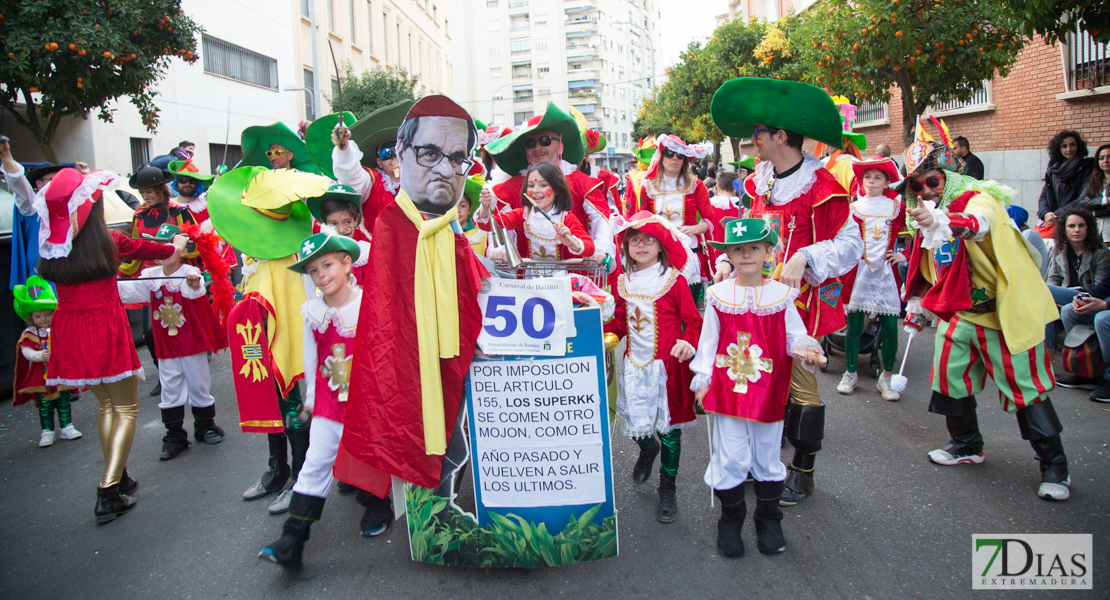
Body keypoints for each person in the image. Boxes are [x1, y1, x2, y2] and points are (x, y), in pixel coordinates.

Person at [710, 77, 864, 505]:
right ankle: (761, 461)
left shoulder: (823, 187)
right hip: (755, 296)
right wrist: (728, 261)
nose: (752, 141)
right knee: (754, 374)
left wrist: (807, 256)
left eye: (758, 133)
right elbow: (744, 233)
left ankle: (803, 468)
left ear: (780, 136)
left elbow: (852, 246)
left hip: (799, 303)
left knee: (801, 385)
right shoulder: (760, 182)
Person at [899, 123, 1070, 501]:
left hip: (1004, 313)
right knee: (948, 378)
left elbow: (980, 225)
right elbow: (932, 272)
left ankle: (1055, 466)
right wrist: (920, 307)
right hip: (961, 315)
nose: (926, 191)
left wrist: (944, 221)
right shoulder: (925, 221)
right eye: (917, 186)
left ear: (948, 177)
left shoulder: (978, 197)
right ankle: (966, 445)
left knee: (1028, 392)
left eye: (933, 182)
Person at [30, 168, 185, 523]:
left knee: (106, 408)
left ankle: (121, 475)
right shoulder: (108, 242)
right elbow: (148, 249)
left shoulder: (53, 248)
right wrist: (176, 246)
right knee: (127, 409)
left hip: (69, 329)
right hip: (104, 325)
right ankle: (108, 489)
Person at [259, 229, 391, 571]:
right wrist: (311, 401)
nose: (321, 276)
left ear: (347, 263)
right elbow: (311, 359)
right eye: (314, 271)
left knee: (372, 456)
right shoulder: (312, 311)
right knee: (315, 464)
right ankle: (292, 540)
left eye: (327, 265)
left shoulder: (368, 304)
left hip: (367, 402)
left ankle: (377, 506)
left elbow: (384, 352)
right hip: (330, 404)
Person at [692, 218, 825, 558]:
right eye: (738, 249)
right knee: (732, 457)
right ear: (729, 255)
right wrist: (703, 381)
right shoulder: (719, 295)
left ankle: (769, 519)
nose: (746, 254)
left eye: (754, 247)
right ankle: (731, 519)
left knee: (767, 457)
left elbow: (793, 337)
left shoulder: (781, 296)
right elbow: (708, 344)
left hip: (768, 391)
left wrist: (808, 351)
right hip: (727, 389)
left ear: (769, 251)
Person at [208, 166, 328, 515]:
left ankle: (299, 478)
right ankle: (277, 470)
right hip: (259, 338)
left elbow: (298, 301)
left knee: (291, 404)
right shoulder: (256, 255)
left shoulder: (289, 257)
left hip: (288, 338)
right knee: (269, 402)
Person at [603, 212, 702, 523]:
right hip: (634, 364)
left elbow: (695, 321)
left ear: (661, 246)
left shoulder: (674, 281)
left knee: (670, 431)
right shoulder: (622, 281)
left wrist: (688, 341)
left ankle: (667, 486)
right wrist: (607, 337)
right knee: (634, 422)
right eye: (634, 240)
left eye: (648, 239)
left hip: (668, 368)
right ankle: (647, 450)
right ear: (626, 247)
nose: (641, 245)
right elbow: (620, 320)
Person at [117, 224, 229, 460]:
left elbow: (195, 292)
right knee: (169, 388)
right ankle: (175, 436)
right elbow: (124, 292)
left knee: (198, 383)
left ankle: (206, 427)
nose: (162, 252)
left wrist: (193, 283)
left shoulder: (190, 272)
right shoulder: (150, 277)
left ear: (181, 252)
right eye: (158, 248)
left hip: (191, 343)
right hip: (166, 346)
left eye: (168, 247)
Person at [482, 102, 615, 264]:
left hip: (576, 277)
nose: (538, 147)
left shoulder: (583, 184)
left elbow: (602, 222)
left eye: (545, 140)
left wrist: (599, 250)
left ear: (560, 147)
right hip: (526, 280)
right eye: (531, 143)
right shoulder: (509, 188)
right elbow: (498, 226)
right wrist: (502, 248)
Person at [836, 157, 907, 401]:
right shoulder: (853, 208)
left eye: (877, 178)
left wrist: (904, 254)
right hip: (859, 273)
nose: (872, 182)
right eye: (867, 177)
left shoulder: (897, 206)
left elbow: (919, 233)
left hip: (886, 273)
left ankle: (886, 378)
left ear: (887, 181)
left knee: (890, 329)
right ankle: (851, 372)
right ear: (860, 180)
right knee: (854, 326)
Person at [625, 134, 716, 300]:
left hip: (689, 254)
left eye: (680, 155)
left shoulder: (696, 185)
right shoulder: (647, 186)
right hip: (658, 258)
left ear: (685, 161)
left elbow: (710, 222)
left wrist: (695, 228)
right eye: (670, 153)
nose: (675, 158)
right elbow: (643, 223)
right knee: (663, 311)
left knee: (689, 311)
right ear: (661, 156)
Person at [324, 101, 414, 237]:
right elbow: (352, 176)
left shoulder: (420, 179)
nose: (393, 158)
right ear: (379, 162)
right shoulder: (371, 180)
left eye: (397, 150)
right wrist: (343, 148)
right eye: (385, 154)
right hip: (379, 253)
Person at [13, 276, 81, 447]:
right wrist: (39, 356)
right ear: (31, 317)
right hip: (41, 376)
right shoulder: (29, 333)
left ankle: (67, 426)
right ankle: (47, 430)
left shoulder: (59, 328)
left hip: (60, 373)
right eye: (38, 316)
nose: (43, 319)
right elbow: (25, 351)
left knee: (63, 401)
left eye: (47, 315)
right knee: (45, 404)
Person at [476, 162, 594, 260]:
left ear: (557, 189)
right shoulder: (521, 215)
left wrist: (571, 241)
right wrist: (485, 208)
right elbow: (487, 225)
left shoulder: (566, 218)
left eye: (543, 185)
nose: (536, 190)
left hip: (561, 282)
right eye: (531, 185)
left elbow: (589, 248)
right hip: (530, 281)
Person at [1044, 207, 1110, 366]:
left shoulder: (1101, 252)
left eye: (1081, 225)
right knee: (1043, 302)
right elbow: (1054, 277)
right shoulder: (1059, 249)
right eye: (1072, 226)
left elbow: (1101, 285)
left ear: (1089, 227)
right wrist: (1053, 298)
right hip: (1067, 296)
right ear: (1064, 229)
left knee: (1040, 290)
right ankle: (1048, 358)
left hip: (1088, 296)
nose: (1077, 230)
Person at [306, 183, 372, 285]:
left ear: (356, 220)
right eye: (333, 224)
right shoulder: (317, 259)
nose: (341, 230)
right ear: (324, 222)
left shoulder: (368, 253)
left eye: (347, 222)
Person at [1038, 130, 1094, 227]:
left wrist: (1056, 215)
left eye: (1072, 145)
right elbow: (1044, 195)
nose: (1069, 149)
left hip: (1075, 220)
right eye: (1064, 146)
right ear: (1058, 149)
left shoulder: (1086, 167)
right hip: (1054, 220)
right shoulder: (1053, 168)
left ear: (1078, 146)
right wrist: (1046, 213)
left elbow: (1081, 199)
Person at [1076, 143, 1110, 242]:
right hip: (1096, 235)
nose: (1105, 161)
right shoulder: (1094, 181)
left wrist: (1093, 209)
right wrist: (1106, 200)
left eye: (1109, 157)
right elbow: (1080, 203)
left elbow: (1087, 205)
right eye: (1101, 158)